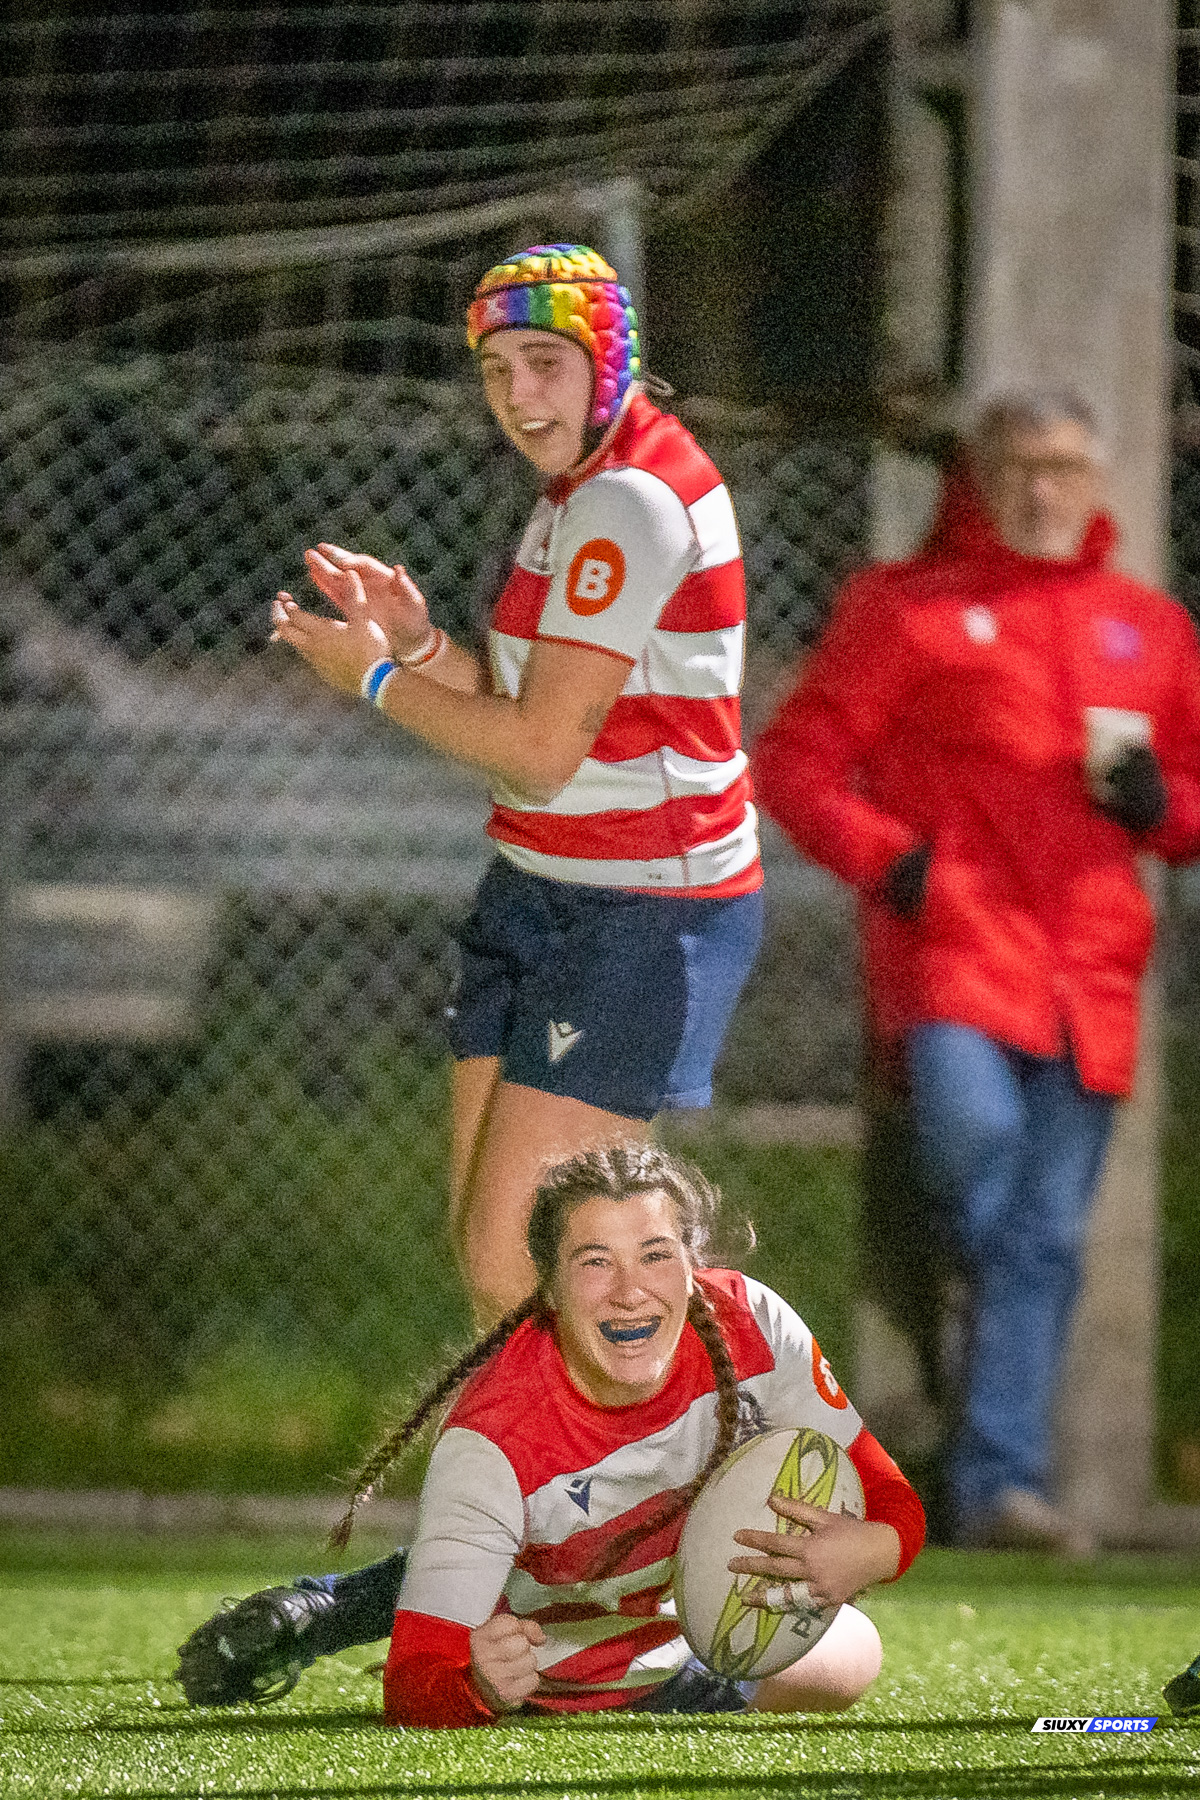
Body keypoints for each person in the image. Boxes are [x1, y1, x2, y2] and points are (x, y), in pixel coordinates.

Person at [270, 244, 763, 1327]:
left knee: (524, 1264)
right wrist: (419, 643)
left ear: (608, 361)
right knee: (498, 1264)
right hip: (543, 887)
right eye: (497, 372)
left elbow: (542, 750)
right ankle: (566, 1492)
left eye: (545, 362)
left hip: (643, 911)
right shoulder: (573, 491)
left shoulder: (629, 499)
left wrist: (380, 681)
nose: (519, 395)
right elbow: (523, 701)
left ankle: (700, 1452)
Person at [752, 391, 1200, 1553]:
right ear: (977, 480)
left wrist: (1167, 808)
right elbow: (797, 765)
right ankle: (977, 1421)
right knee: (983, 1166)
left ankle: (995, 1484)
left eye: (1064, 467)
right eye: (1019, 468)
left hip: (1093, 976)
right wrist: (895, 865)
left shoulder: (1147, 627)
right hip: (954, 956)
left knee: (1044, 1237)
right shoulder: (904, 611)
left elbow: (1191, 804)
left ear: (1099, 483)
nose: (1043, 491)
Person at [176, 1143, 924, 1717]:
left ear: (693, 1269)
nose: (631, 1291)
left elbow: (893, 1498)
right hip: (555, 1664)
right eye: (594, 1262)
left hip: (678, 1630)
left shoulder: (755, 1325)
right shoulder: (494, 1440)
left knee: (855, 1657)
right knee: (518, 1553)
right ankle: (346, 1604)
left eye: (655, 1256)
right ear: (552, 1289)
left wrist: (869, 1548)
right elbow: (417, 1687)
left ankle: (359, 1600)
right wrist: (478, 1688)